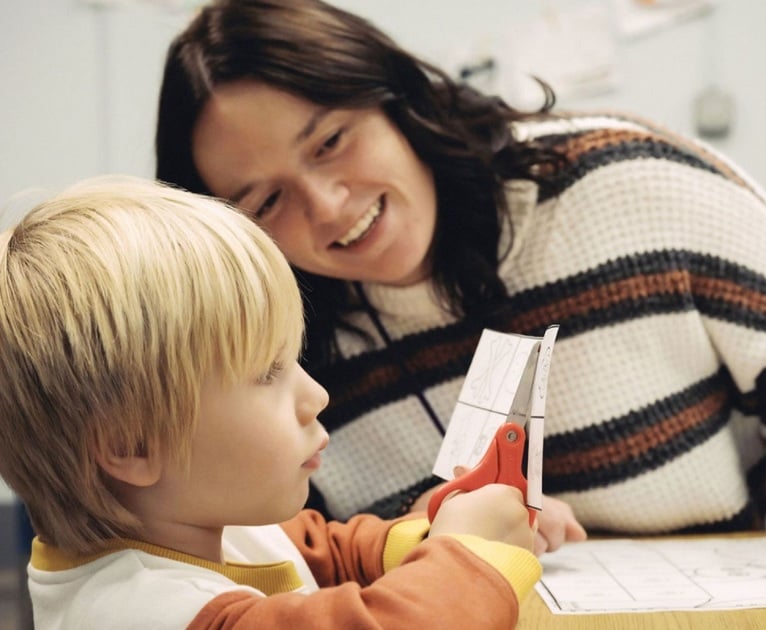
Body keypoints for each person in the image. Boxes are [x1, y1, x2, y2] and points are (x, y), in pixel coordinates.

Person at [155, 0, 766, 569]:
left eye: (331, 141)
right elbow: (286, 548)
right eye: (265, 202)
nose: (329, 208)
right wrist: (421, 533)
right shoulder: (274, 349)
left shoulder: (624, 182)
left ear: (398, 100)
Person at [0, 175, 541, 629]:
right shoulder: (134, 610)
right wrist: (470, 555)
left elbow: (332, 552)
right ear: (133, 444)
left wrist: (433, 530)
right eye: (268, 373)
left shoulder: (205, 522)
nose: (316, 395)